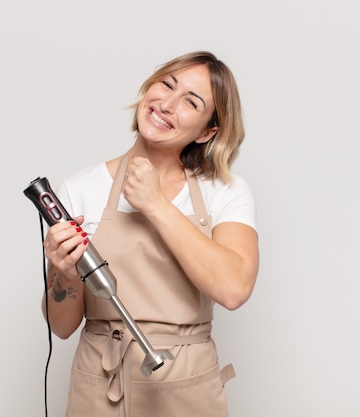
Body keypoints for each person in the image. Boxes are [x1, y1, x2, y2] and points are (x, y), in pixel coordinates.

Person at [42, 51, 259, 417]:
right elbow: (61, 327)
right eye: (166, 85)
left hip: (186, 386)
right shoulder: (80, 189)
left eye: (191, 102)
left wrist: (156, 204)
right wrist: (64, 273)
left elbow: (234, 289)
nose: (168, 104)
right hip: (100, 382)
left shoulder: (225, 191)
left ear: (208, 131)